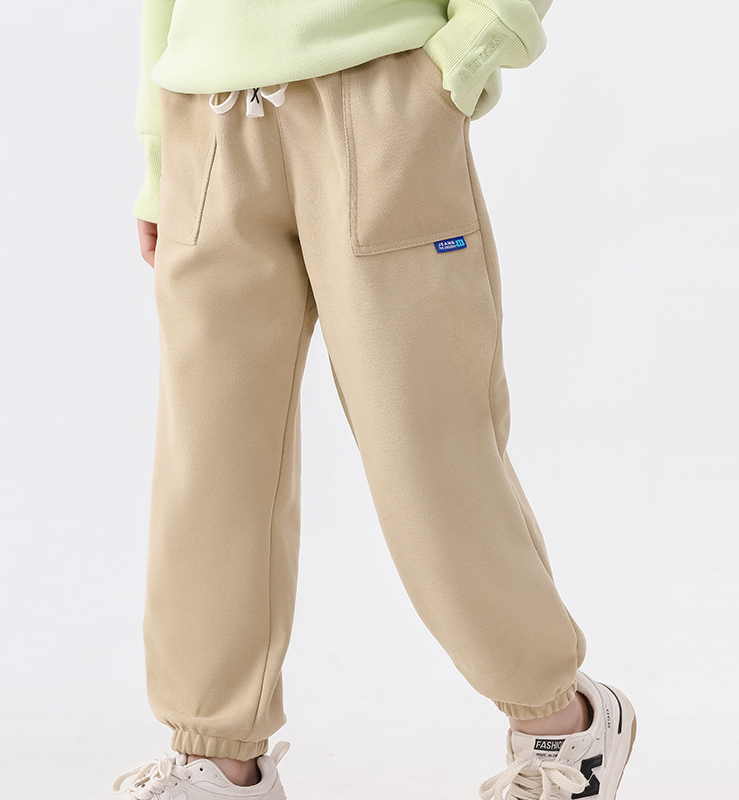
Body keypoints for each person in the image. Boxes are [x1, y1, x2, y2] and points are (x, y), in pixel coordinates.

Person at [115, 1, 638, 798]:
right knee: (210, 467)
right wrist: (160, 156)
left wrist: (469, 51)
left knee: (423, 447)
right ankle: (217, 756)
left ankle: (562, 721)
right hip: (205, 118)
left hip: (379, 100)